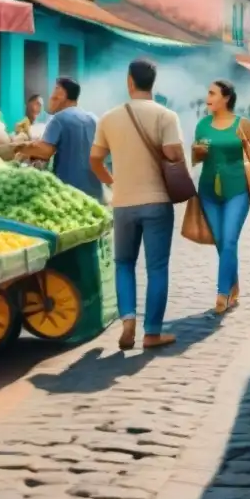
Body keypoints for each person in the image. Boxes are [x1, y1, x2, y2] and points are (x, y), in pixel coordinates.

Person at [89, 60, 183, 351]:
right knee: (157, 268)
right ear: (152, 82)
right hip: (157, 202)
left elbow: (94, 159)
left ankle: (128, 317)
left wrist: (112, 180)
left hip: (124, 203)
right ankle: (152, 332)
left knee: (123, 263)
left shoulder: (109, 118)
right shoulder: (167, 116)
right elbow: (174, 155)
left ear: (130, 81)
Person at [192, 80, 250, 315]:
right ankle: (234, 284)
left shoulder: (244, 125)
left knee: (230, 240)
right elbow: (196, 158)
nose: (207, 97)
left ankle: (222, 294)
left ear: (226, 98)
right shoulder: (202, 125)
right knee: (221, 242)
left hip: (237, 190)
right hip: (208, 191)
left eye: (212, 93)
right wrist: (197, 153)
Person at [18, 78, 103, 200]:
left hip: (70, 191)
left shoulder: (59, 119)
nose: (50, 102)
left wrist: (19, 148)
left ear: (61, 96)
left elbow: (45, 151)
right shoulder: (93, 118)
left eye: (53, 98)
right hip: (95, 190)